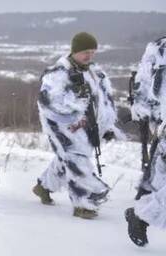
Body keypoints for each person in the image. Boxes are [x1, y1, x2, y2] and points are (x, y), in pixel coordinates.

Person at [32, 32, 123, 219]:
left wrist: (108, 126)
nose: (89, 56)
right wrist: (74, 110)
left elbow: (105, 103)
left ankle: (43, 186)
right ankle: (84, 203)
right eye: (85, 52)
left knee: (68, 158)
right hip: (62, 127)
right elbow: (48, 103)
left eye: (92, 52)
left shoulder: (95, 73)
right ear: (74, 51)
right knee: (76, 159)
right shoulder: (58, 74)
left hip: (88, 127)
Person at [125, 36, 166, 246]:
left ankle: (141, 215)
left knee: (160, 183)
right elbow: (143, 88)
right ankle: (141, 214)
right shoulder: (159, 50)